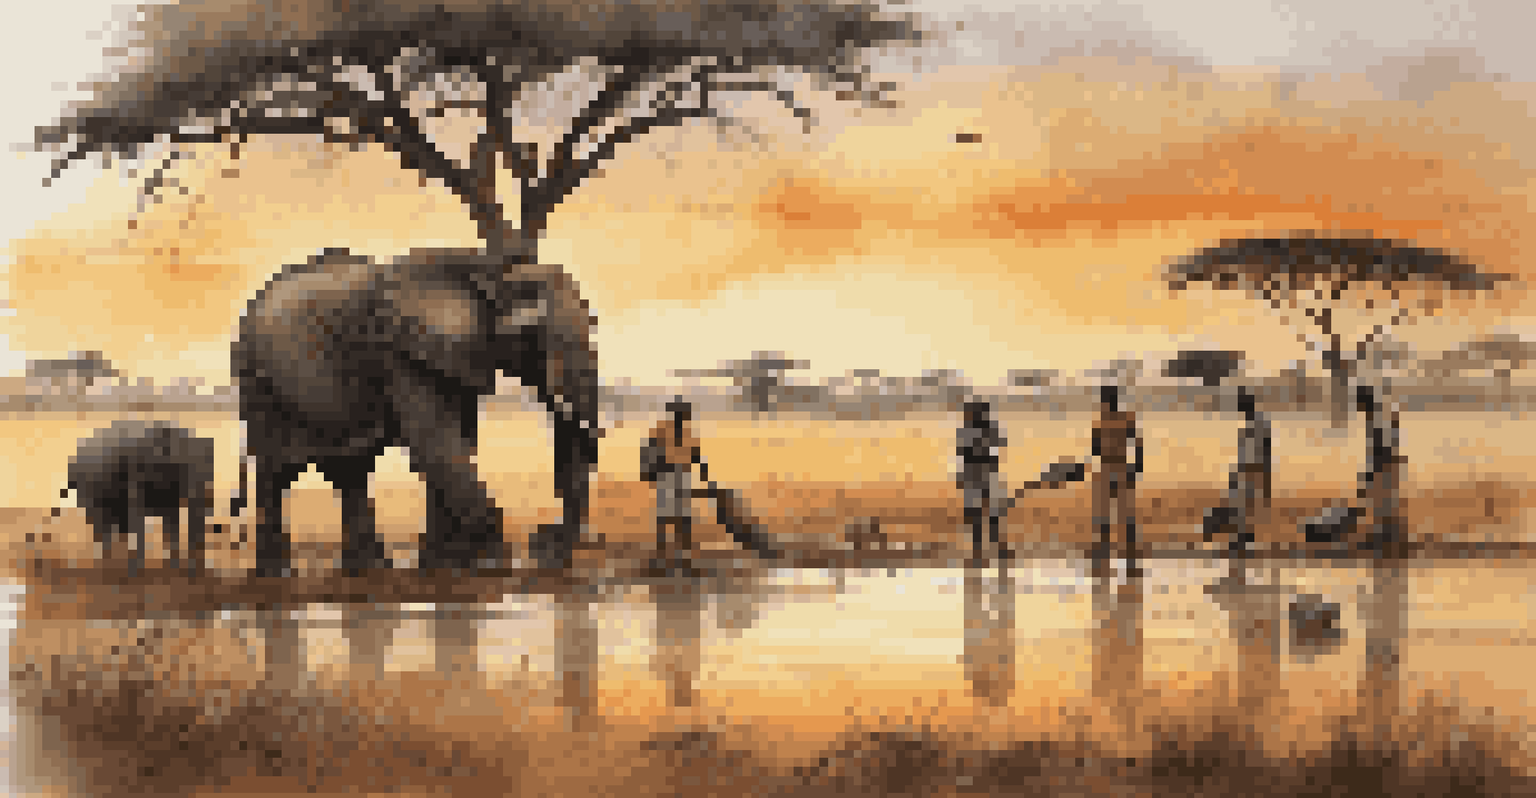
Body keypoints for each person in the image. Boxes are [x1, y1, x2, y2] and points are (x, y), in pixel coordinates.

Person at [642, 398, 707, 572]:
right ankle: (664, 557)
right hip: (667, 475)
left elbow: (696, 454)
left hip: (681, 476)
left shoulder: (685, 433)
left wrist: (702, 471)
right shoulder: (664, 431)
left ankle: (682, 558)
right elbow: (649, 450)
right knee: (666, 518)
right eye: (682, 413)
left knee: (682, 518)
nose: (683, 417)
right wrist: (648, 471)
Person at [1091, 384, 1144, 575]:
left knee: (1109, 517)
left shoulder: (1102, 421)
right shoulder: (1124, 419)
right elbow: (1138, 445)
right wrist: (1137, 466)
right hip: (1120, 470)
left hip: (1109, 470)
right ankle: (1127, 558)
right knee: (1122, 517)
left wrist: (1137, 466)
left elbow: (1095, 449)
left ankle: (1108, 558)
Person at [956, 400, 1008, 560]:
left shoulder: (974, 431)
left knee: (986, 512)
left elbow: (963, 453)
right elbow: (964, 453)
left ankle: (986, 548)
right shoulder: (979, 431)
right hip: (980, 471)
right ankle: (987, 548)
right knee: (984, 512)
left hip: (979, 471)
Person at [1356, 385, 1405, 556]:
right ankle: (1388, 538)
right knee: (1384, 502)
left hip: (1383, 462)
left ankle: (1388, 539)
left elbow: (1382, 447)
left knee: (1383, 501)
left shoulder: (1378, 419)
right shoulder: (1379, 419)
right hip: (1383, 461)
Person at [1228, 386, 1273, 557]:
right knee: (1242, 509)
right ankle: (1241, 542)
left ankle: (1243, 542)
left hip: (1254, 474)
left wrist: (1264, 478)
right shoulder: (1247, 428)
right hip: (1246, 474)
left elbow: (1264, 454)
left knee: (1247, 509)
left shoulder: (1258, 426)